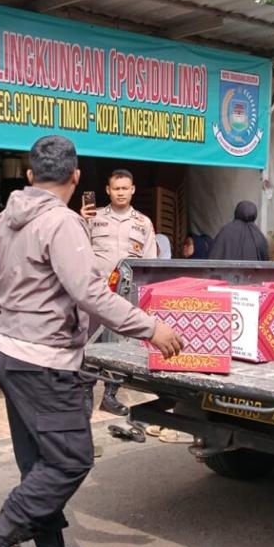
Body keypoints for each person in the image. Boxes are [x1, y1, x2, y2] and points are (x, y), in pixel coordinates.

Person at [0, 135, 183, 547]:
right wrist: (150, 328)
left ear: (28, 176)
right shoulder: (63, 224)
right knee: (71, 459)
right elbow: (90, 293)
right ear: (76, 177)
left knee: (39, 461)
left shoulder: (4, 219)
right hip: (46, 360)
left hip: (11, 353)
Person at [81, 168, 158, 416]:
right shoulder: (94, 217)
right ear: (108, 190)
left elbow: (150, 262)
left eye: (126, 188)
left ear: (133, 190)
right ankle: (85, 394)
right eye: (117, 188)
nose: (121, 193)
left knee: (119, 346)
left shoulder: (143, 223)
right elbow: (77, 250)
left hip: (125, 295)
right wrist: (81, 220)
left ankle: (110, 396)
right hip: (96, 292)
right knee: (90, 344)